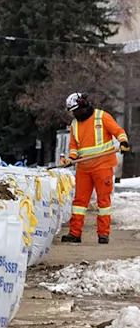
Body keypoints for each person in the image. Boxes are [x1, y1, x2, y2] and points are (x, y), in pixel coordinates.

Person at [59, 93, 130, 244]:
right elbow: (73, 147)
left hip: (103, 166)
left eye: (76, 110)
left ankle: (103, 234)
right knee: (79, 202)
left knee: (103, 202)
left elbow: (118, 131)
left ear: (83, 106)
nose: (75, 114)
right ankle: (75, 234)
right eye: (73, 112)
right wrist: (71, 159)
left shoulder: (101, 117)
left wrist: (123, 142)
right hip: (84, 168)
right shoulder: (74, 125)